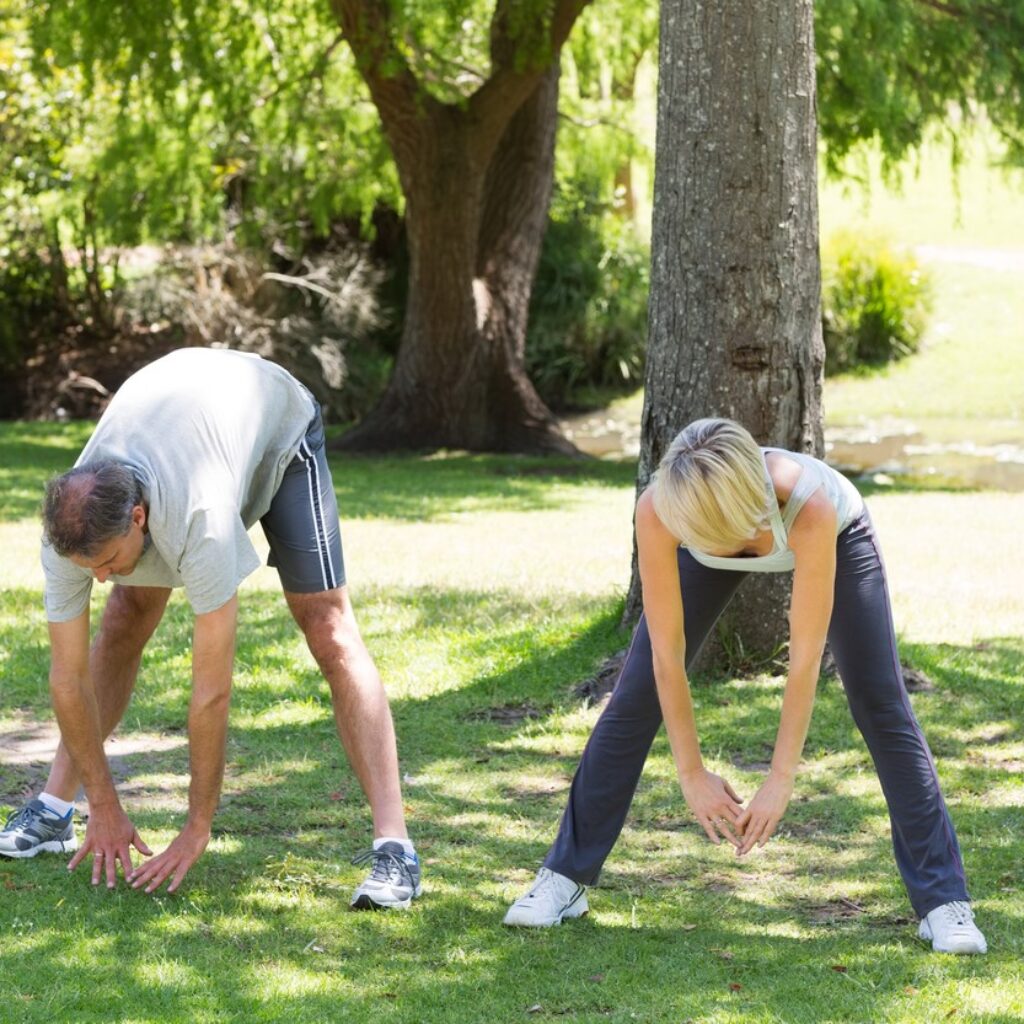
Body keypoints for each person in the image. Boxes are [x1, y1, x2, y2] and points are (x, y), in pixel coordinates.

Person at [503, 418, 986, 954]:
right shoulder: (663, 510)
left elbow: (803, 659)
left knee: (880, 701)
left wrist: (781, 777)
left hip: (833, 531)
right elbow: (668, 656)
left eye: (703, 530)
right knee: (634, 694)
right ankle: (564, 878)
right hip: (722, 526)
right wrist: (689, 772)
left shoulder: (812, 507)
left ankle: (944, 901)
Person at [0, 347, 420, 909]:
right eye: (87, 568)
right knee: (125, 614)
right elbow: (66, 677)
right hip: (189, 428)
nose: (98, 580)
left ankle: (396, 848)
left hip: (277, 434)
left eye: (107, 562)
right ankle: (57, 808)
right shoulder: (68, 533)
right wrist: (103, 802)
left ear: (138, 518)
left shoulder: (200, 519)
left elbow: (211, 691)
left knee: (326, 625)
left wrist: (198, 824)